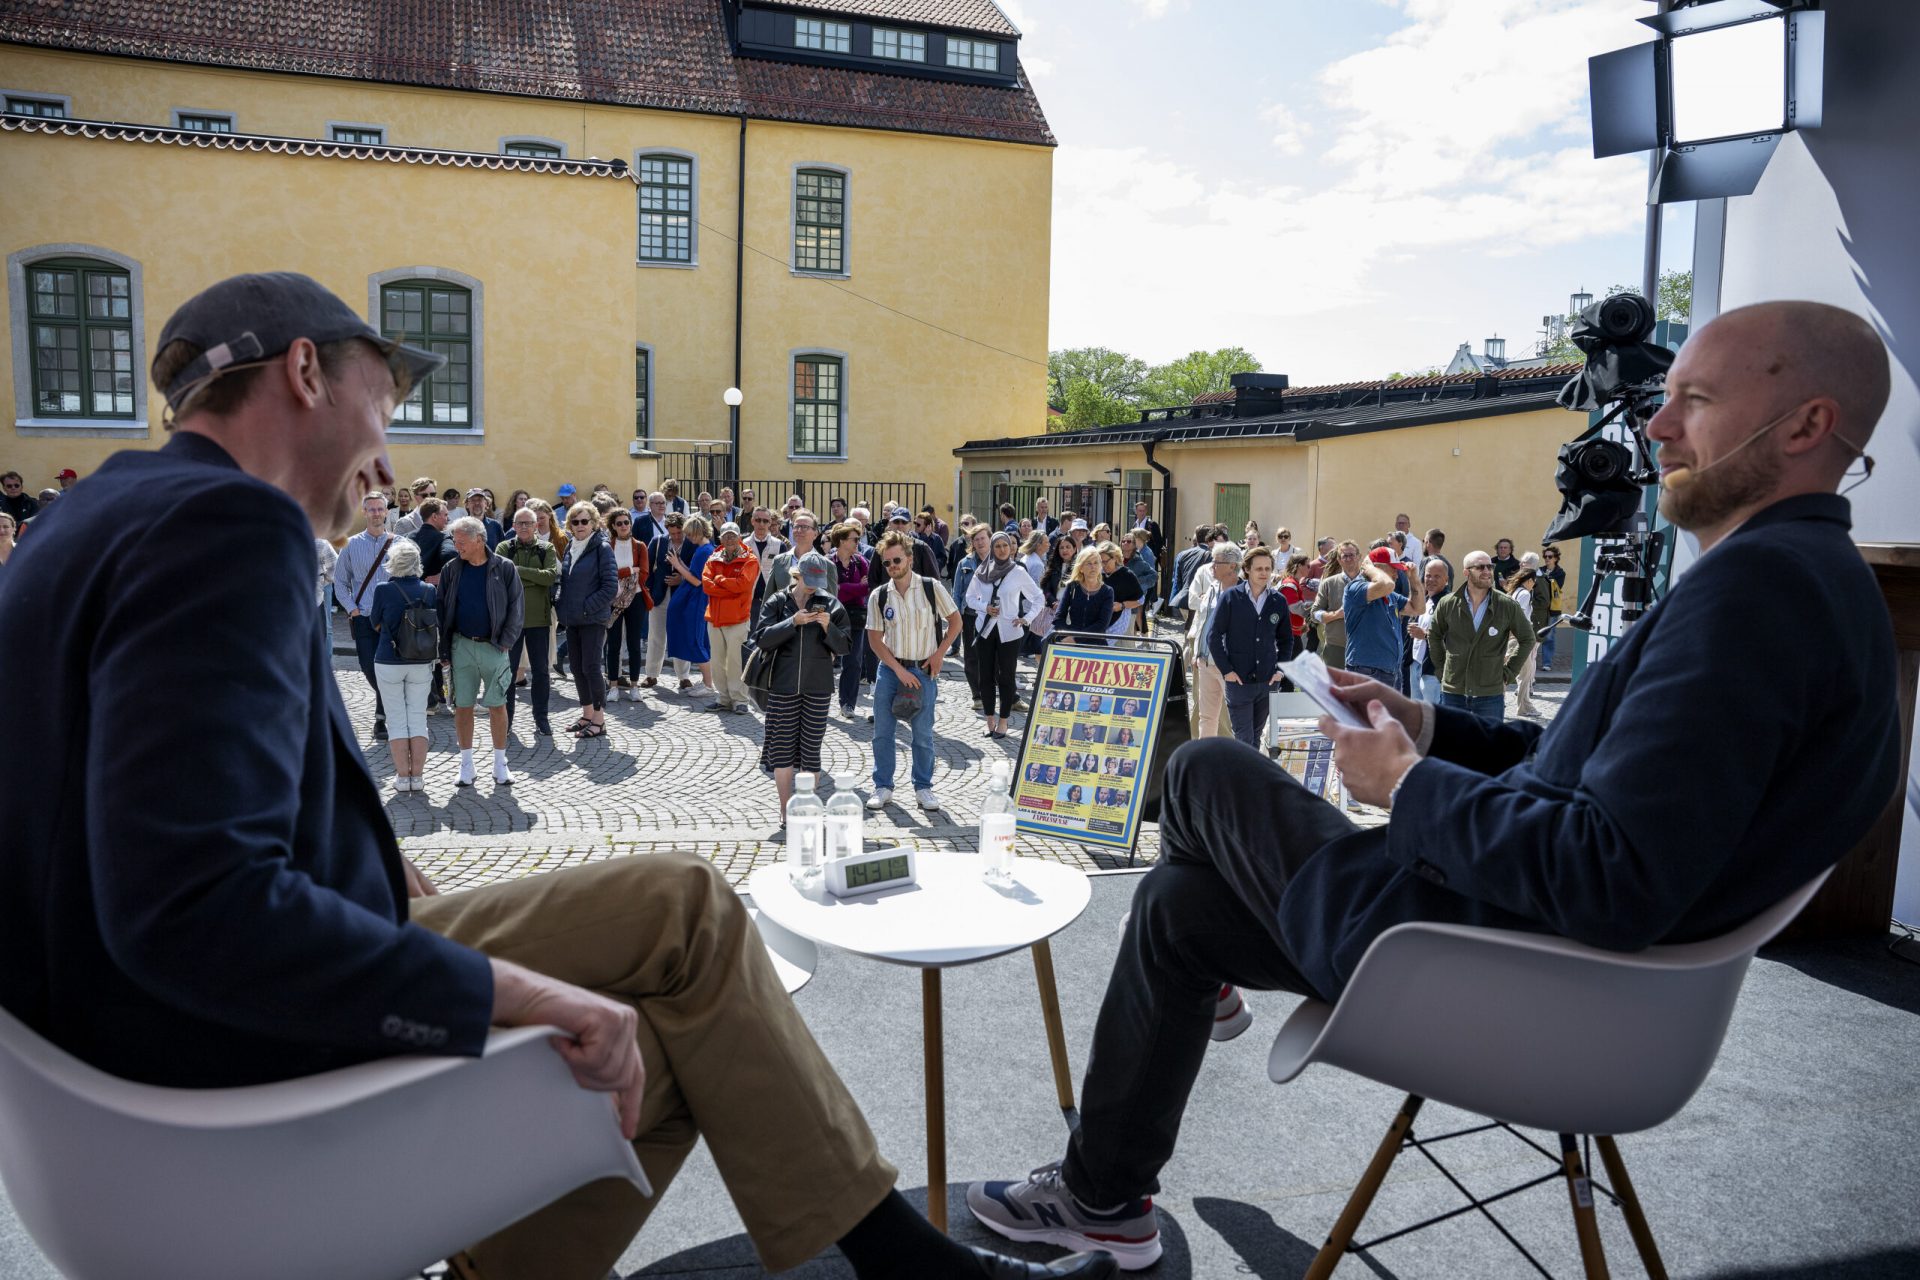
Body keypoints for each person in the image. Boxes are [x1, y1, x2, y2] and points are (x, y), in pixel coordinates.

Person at [968, 302, 1898, 1272]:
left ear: (1804, 426)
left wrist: (1406, 784)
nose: (1656, 429)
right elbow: (1593, 775)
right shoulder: (1815, 579)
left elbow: (1609, 873)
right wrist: (1428, 725)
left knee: (1203, 771)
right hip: (1544, 958)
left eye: (1694, 401)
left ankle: (1140, 1123)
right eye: (1663, 401)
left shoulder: (1756, 595)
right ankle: (1104, 1198)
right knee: (1177, 905)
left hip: (1500, 970)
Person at [866, 528, 962, 811]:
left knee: (923, 734)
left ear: (909, 558)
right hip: (890, 670)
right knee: (883, 732)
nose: (893, 567)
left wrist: (939, 654)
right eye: (887, 563)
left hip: (924, 670)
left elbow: (955, 622)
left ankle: (924, 788)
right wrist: (898, 670)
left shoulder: (932, 587)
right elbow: (874, 639)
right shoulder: (879, 595)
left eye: (897, 560)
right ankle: (883, 786)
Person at [756, 552, 853, 811]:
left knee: (811, 750)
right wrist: (792, 622)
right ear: (796, 575)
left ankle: (807, 807)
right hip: (783, 685)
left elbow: (845, 646)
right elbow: (761, 638)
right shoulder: (778, 601)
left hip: (818, 687)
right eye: (807, 579)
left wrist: (827, 628)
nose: (812, 585)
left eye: (817, 580)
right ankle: (786, 809)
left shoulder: (831, 604)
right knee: (782, 750)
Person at [436, 516, 525, 787]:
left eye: (461, 541)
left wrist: (506, 642)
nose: (456, 546)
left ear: (479, 540)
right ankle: (466, 765)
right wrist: (445, 647)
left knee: (497, 705)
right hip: (461, 645)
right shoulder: (452, 569)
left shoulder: (504, 567)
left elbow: (516, 608)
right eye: (454, 541)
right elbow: (442, 608)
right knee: (462, 706)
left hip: (494, 646)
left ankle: (500, 764)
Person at [1205, 544, 1297, 749]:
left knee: (1255, 738)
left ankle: (1249, 779)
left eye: (1267, 568)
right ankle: (1240, 779)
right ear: (1246, 569)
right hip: (1238, 681)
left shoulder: (1278, 601)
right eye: (1258, 569)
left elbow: (1286, 640)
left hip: (1267, 680)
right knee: (1244, 738)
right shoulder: (1231, 598)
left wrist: (1280, 671)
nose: (1264, 573)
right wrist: (1227, 670)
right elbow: (1213, 636)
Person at [367, 537, 438, 792]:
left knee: (396, 720)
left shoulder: (383, 590)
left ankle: (402, 777)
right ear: (417, 564)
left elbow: (375, 622)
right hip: (420, 660)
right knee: (418, 719)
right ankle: (417, 777)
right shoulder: (429, 590)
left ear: (393, 563)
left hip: (388, 659)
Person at [1428, 550, 1533, 721]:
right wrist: (1441, 669)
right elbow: (1434, 635)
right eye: (1480, 567)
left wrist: (1509, 673)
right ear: (1466, 572)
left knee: (1487, 746)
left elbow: (1528, 638)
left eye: (1489, 566)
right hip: (1453, 693)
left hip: (1490, 694)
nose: (1486, 571)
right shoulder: (1448, 603)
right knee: (1452, 746)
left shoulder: (1506, 605)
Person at [967, 530, 1045, 739]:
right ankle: (989, 720)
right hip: (985, 630)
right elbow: (969, 598)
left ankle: (1004, 721)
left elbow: (1038, 598)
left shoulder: (1018, 571)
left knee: (1006, 677)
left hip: (1009, 632)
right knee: (985, 677)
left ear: (1011, 548)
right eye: (997, 546)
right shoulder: (982, 570)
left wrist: (1026, 618)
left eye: (1005, 546)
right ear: (992, 549)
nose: (1002, 550)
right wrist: (985, 607)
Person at [555, 501, 617, 739]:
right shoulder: (571, 545)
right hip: (573, 619)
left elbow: (610, 586)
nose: (579, 526)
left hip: (592, 619)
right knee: (577, 669)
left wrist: (586, 608)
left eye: (584, 521)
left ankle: (599, 721)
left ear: (593, 523)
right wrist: (562, 604)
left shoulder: (602, 548)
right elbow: (566, 581)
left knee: (591, 668)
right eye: (575, 521)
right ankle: (587, 714)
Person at [336, 490, 395, 738]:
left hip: (391, 619)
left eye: (380, 509)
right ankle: (389, 709)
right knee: (367, 667)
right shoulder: (350, 545)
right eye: (371, 509)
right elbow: (339, 582)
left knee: (387, 668)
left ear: (386, 511)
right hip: (363, 617)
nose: (376, 513)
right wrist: (353, 609)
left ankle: (381, 719)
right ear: (364, 512)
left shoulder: (401, 544)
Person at [500, 508, 559, 737]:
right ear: (513, 525)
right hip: (511, 621)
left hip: (539, 619)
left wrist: (518, 571)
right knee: (509, 672)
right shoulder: (505, 547)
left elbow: (550, 576)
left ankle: (541, 717)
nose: (524, 527)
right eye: (520, 523)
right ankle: (507, 719)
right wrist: (534, 577)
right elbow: (501, 577)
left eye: (528, 523)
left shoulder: (546, 548)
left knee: (541, 672)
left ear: (536, 526)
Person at [1182, 542, 1241, 740]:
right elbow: (1202, 621)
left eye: (1217, 562)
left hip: (1229, 665)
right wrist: (1198, 651)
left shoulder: (1244, 592)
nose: (1212, 566)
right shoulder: (1213, 587)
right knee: (1206, 717)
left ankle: (1238, 761)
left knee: (1237, 717)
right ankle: (1206, 759)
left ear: (1232, 566)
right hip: (1206, 662)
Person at [1341, 546, 1423, 687]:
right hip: (1366, 672)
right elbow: (1386, 584)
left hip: (1391, 672)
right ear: (1377, 567)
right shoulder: (1356, 588)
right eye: (1393, 569)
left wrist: (1414, 579)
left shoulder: (1389, 595)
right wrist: (1370, 568)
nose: (1397, 575)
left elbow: (1418, 608)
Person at [702, 522, 760, 714]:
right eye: (726, 536)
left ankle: (740, 699)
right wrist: (729, 587)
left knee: (736, 661)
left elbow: (743, 586)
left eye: (733, 535)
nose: (729, 539)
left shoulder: (749, 560)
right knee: (717, 661)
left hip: (738, 618)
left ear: (739, 538)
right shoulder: (713, 558)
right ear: (720, 538)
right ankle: (723, 698)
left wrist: (719, 580)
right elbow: (706, 585)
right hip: (715, 618)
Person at [666, 514, 716, 697]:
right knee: (700, 640)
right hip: (697, 599)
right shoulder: (705, 548)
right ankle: (706, 682)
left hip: (697, 600)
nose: (687, 537)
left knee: (697, 641)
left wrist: (677, 566)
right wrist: (680, 564)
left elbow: (696, 581)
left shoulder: (704, 550)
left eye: (688, 533)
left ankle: (709, 685)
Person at [603, 509, 650, 701]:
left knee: (634, 644)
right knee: (613, 644)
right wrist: (630, 570)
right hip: (612, 600)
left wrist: (628, 576)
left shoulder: (639, 546)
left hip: (636, 598)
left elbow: (644, 572)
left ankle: (634, 685)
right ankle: (613, 685)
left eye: (626, 522)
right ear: (613, 526)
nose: (623, 526)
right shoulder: (607, 546)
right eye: (619, 523)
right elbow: (608, 573)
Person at [642, 512, 688, 690]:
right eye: (673, 533)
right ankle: (651, 674)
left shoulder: (690, 542)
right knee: (656, 635)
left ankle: (684, 676)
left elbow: (696, 569)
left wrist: (681, 579)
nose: (676, 536)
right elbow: (648, 567)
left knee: (680, 635)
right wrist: (651, 590)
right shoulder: (658, 541)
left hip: (682, 595)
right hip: (660, 595)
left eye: (679, 533)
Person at [830, 522, 871, 715]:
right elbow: (831, 592)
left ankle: (848, 703)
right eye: (854, 539)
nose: (858, 542)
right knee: (824, 659)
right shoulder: (828, 562)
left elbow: (867, 587)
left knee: (853, 661)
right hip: (831, 616)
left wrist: (844, 587)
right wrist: (855, 587)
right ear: (842, 540)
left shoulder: (861, 561)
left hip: (855, 616)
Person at [1404, 557, 1451, 703]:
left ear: (1446, 579)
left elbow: (1455, 636)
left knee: (1434, 714)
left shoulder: (1450, 603)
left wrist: (1424, 635)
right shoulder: (1425, 600)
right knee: (1417, 713)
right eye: (1428, 575)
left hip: (1433, 669)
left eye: (1437, 576)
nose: (1431, 579)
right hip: (1416, 664)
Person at [1311, 540, 1362, 670]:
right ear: (1339, 560)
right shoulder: (1329, 583)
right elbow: (1314, 614)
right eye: (1345, 556)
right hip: (1335, 648)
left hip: (1364, 647)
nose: (1349, 558)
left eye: (1352, 555)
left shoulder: (1371, 584)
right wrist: (1336, 615)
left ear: (1359, 556)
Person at [1508, 555, 1545, 717]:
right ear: (1528, 580)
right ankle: (1524, 707)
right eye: (1533, 581)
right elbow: (1520, 617)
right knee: (1525, 675)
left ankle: (1498, 700)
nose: (1534, 584)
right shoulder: (1524, 594)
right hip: (1519, 639)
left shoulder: (1515, 592)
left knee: (1511, 673)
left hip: (1511, 639)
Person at [1059, 546, 1114, 642]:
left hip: (1094, 645)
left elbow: (1102, 624)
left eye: (1096, 563)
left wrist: (1076, 639)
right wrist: (1067, 637)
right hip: (1069, 643)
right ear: (1081, 568)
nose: (1093, 567)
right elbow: (1059, 617)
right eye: (1088, 563)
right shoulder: (1072, 587)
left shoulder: (1108, 591)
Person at [1100, 541, 1143, 637]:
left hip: (1119, 622)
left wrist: (1122, 605)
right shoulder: (1099, 573)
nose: (1103, 565)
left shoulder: (1127, 575)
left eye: (1105, 561)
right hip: (1101, 622)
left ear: (1115, 558)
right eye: (1100, 562)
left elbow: (1140, 600)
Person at [1537, 545, 1567, 672]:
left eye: (1550, 557)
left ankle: (1547, 663)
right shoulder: (1539, 570)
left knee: (1549, 636)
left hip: (1553, 609)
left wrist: (1544, 579)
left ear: (1556, 558)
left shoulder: (1560, 573)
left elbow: (1554, 587)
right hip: (1539, 608)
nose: (1547, 559)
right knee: (1534, 635)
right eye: (1545, 556)